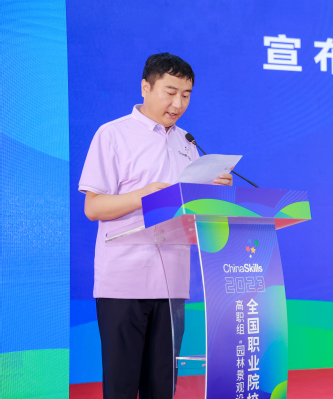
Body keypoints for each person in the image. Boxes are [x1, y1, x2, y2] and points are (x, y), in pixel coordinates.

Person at [79, 53, 232, 399]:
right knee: (121, 387)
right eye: (170, 92)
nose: (178, 104)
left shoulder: (187, 144)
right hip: (123, 283)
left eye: (186, 95)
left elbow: (190, 214)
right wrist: (144, 196)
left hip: (172, 284)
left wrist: (213, 195)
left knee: (162, 388)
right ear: (145, 87)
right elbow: (93, 207)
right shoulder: (113, 134)